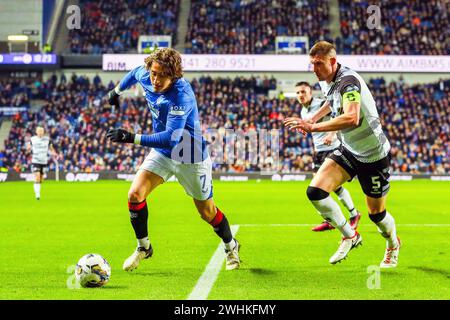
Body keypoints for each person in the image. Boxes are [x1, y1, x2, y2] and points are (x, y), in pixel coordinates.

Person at [106, 48, 240, 272]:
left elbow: (171, 138)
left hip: (189, 155)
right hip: (163, 153)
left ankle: (231, 246)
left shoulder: (181, 95)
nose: (156, 80)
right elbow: (134, 73)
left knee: (207, 213)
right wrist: (116, 91)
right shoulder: (146, 74)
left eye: (162, 75)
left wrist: (131, 137)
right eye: (153, 73)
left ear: (174, 75)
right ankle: (143, 247)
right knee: (134, 194)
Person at [285, 41, 400, 268]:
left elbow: (351, 117)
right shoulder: (328, 80)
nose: (314, 69)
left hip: (373, 155)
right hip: (349, 149)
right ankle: (350, 235)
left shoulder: (349, 82)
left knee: (376, 215)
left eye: (318, 64)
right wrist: (312, 118)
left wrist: (313, 128)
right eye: (312, 64)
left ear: (333, 61)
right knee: (315, 191)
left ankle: (393, 244)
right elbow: (330, 102)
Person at [295, 81, 361, 232]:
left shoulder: (320, 104)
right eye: (298, 92)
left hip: (331, 148)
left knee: (329, 187)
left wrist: (332, 134)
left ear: (310, 92)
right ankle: (331, 219)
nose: (300, 95)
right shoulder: (303, 111)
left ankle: (353, 214)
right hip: (319, 151)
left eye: (303, 92)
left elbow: (338, 114)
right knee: (319, 188)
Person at [27, 126, 55, 200]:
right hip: (35, 160)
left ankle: (37, 186)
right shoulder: (33, 139)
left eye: (41, 131)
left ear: (43, 132)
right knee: (37, 176)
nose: (40, 132)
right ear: (36, 132)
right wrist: (28, 148)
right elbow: (29, 146)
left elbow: (51, 147)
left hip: (44, 161)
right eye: (38, 131)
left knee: (41, 179)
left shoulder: (47, 139)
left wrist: (54, 153)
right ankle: (37, 194)